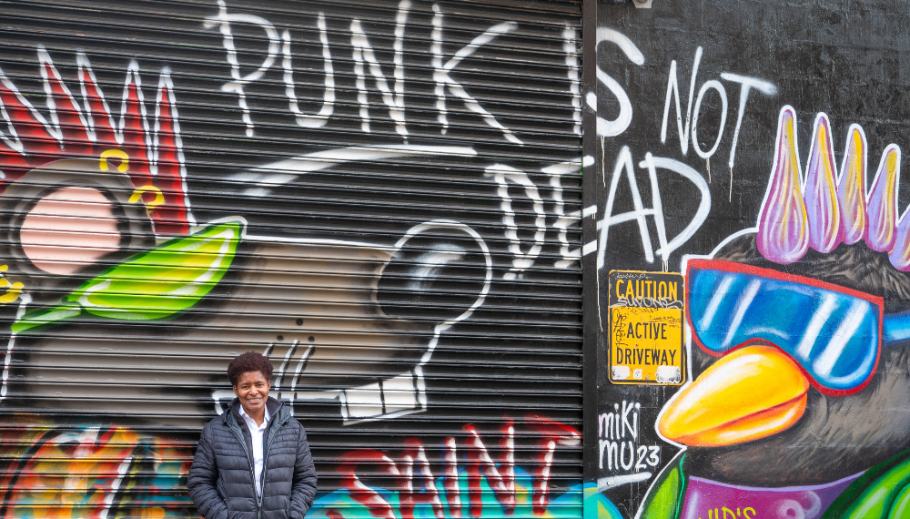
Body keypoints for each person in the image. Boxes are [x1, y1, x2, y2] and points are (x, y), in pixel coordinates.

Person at [188, 352, 317, 519]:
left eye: (259, 384)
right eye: (245, 386)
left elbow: (306, 479)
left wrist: (291, 515)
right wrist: (224, 516)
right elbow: (199, 483)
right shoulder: (215, 431)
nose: (253, 392)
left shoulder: (292, 429)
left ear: (268, 385)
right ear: (235, 389)